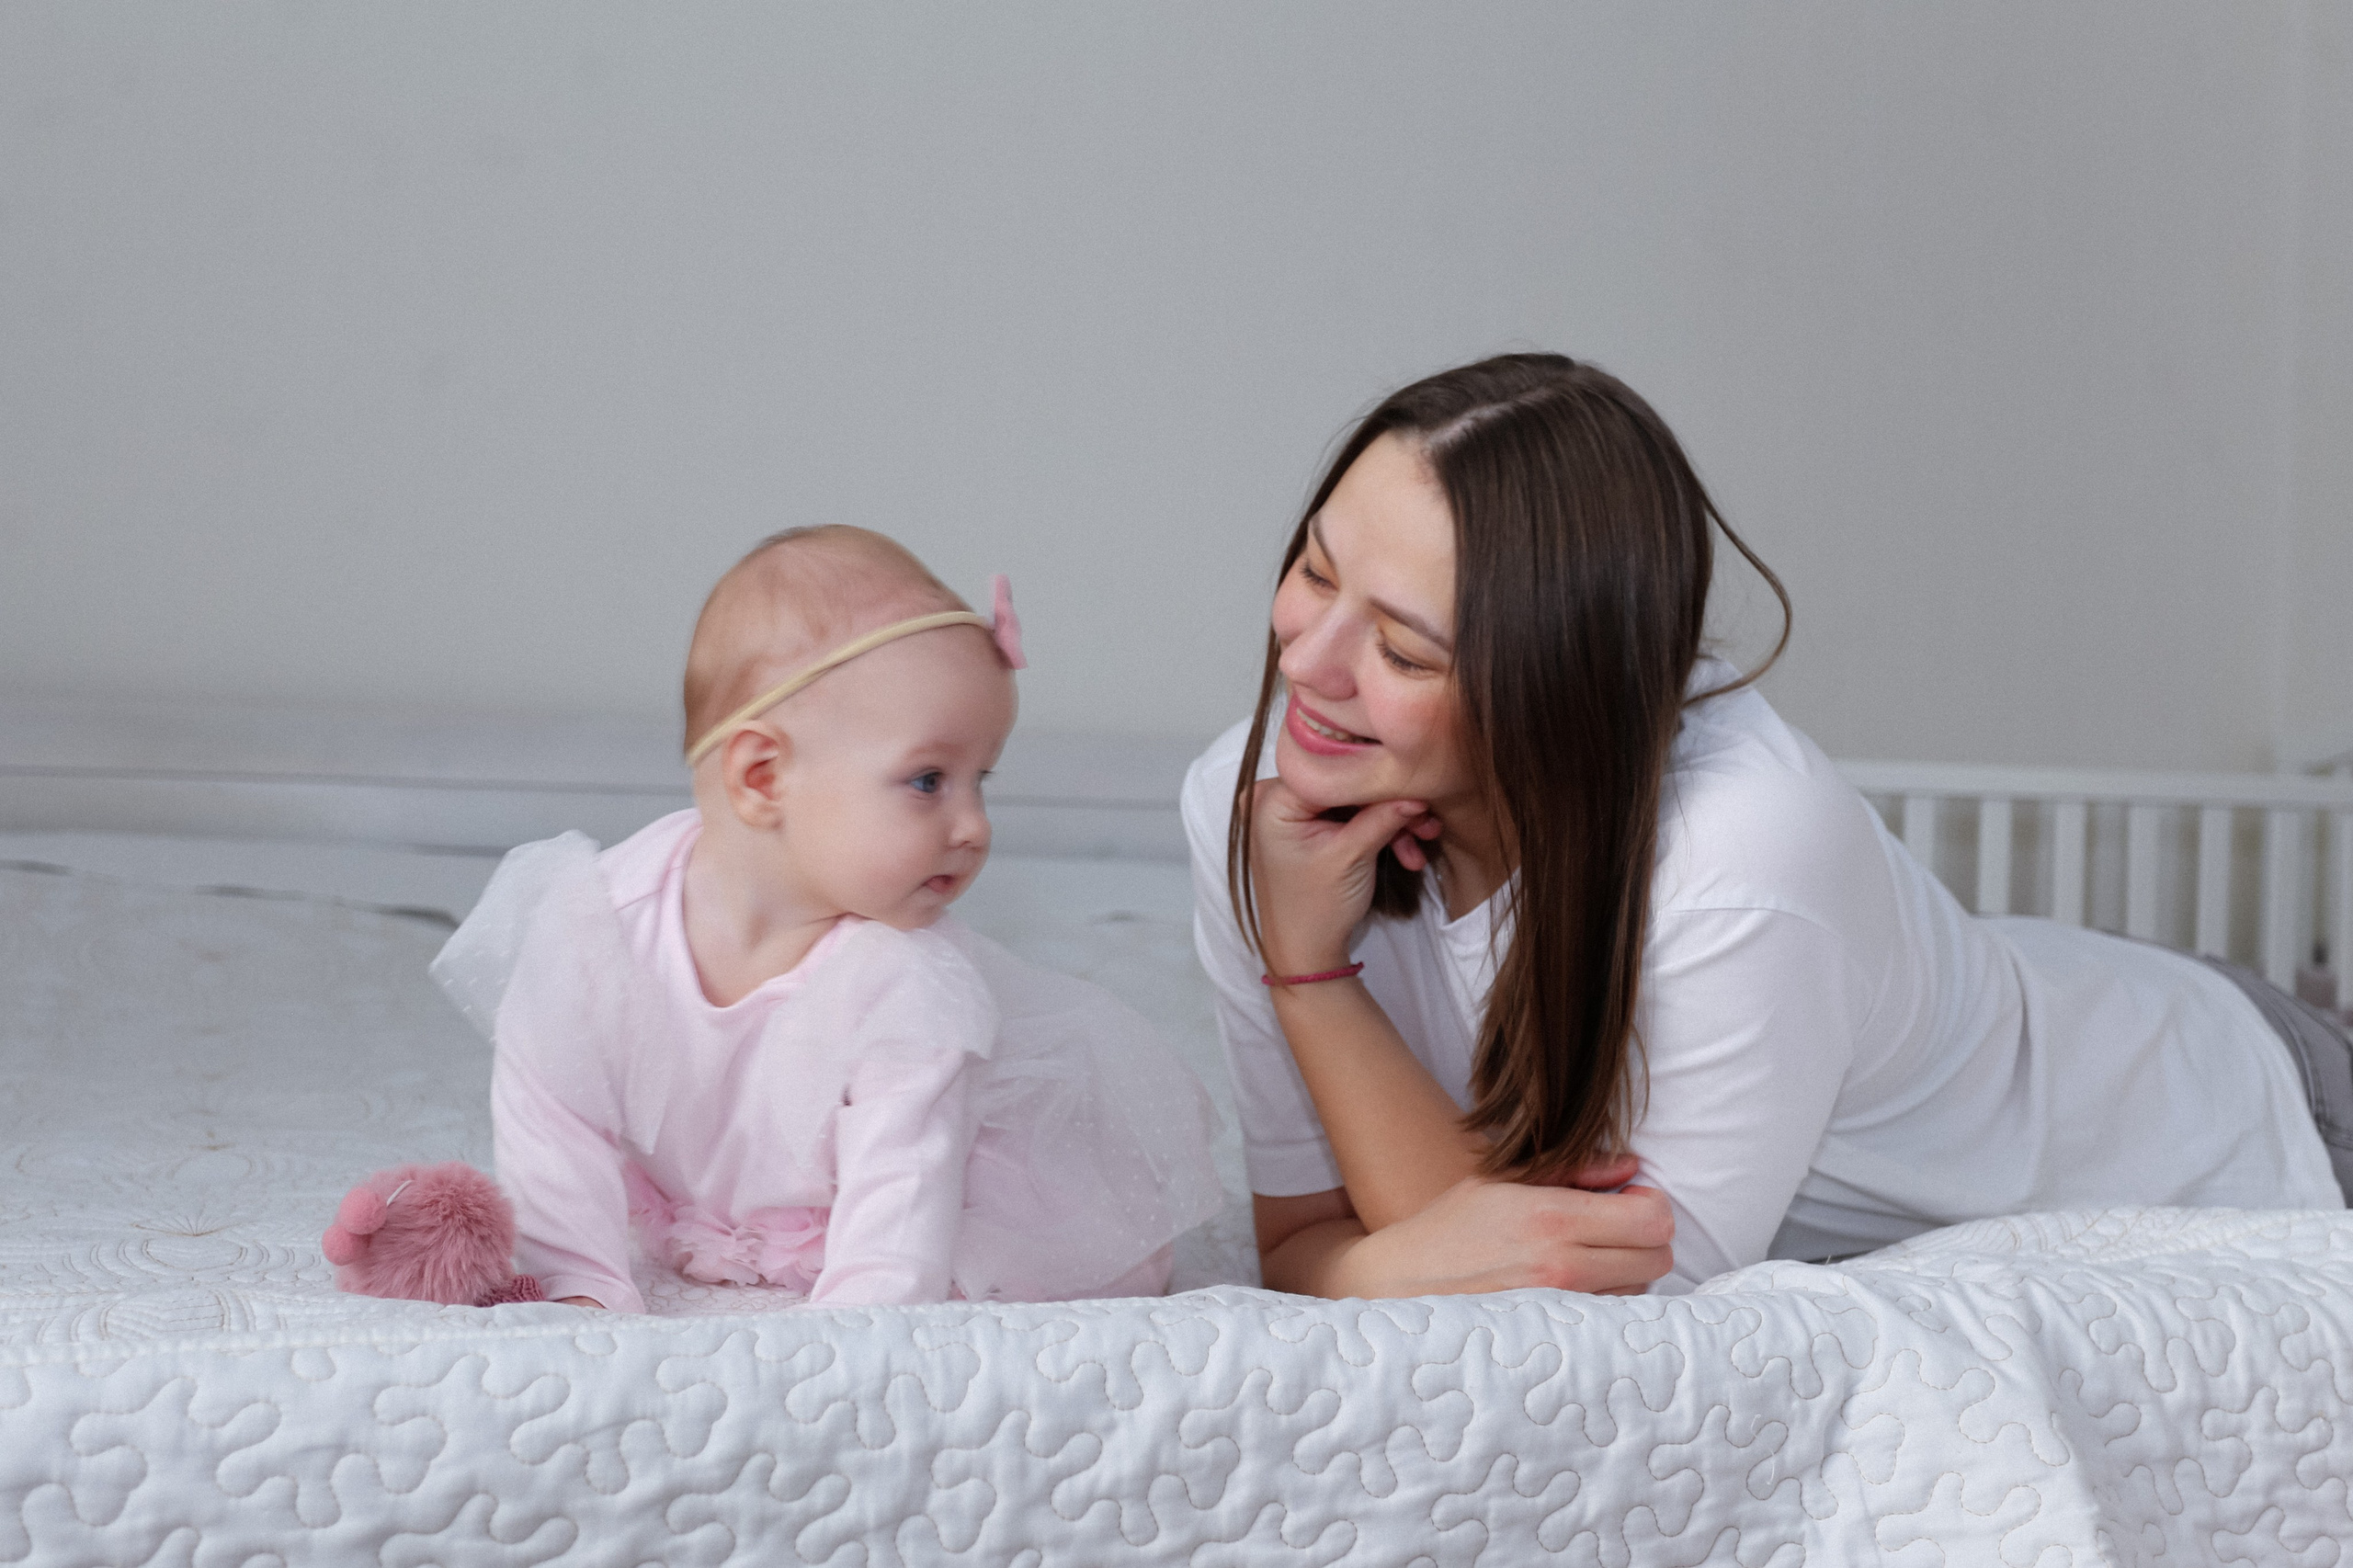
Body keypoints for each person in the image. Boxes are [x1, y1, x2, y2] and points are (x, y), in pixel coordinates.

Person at [1185, 352, 2352, 1300]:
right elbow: (1305, 1247)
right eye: (1313, 568)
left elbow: (1578, 1318)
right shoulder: (1249, 810)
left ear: (1554, 693)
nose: (1305, 657)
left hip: (2227, 1120)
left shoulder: (1745, 854)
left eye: (1399, 649)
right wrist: (1384, 1244)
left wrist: (1310, 973)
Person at [434, 526, 1223, 1311]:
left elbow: (900, 1213)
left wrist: (843, 1342)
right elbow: (555, 1115)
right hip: (743, 1180)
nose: (975, 824)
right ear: (763, 775)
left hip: (937, 1190)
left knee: (1004, 1259)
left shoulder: (907, 982)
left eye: (980, 780)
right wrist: (579, 1286)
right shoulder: (596, 924)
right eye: (928, 781)